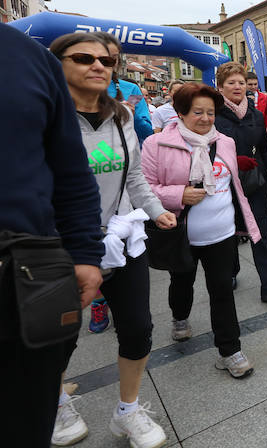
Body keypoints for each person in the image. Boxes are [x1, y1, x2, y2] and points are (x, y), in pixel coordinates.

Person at [48, 32, 176, 448]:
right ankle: (55, 401)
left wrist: (157, 211)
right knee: (60, 336)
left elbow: (135, 176)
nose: (99, 66)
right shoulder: (42, 117)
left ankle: (128, 410)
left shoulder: (121, 116)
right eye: (84, 58)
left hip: (121, 238)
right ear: (58, 63)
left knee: (139, 328)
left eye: (106, 60)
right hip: (61, 245)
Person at [0, 25, 104, 448]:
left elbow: (70, 173)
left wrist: (84, 254)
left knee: (24, 424)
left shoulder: (28, 58)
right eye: (84, 59)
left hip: (23, 275)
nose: (98, 67)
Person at [142, 82, 260, 379]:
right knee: (181, 283)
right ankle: (180, 318)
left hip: (220, 232)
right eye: (198, 112)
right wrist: (178, 195)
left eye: (210, 112)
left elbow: (231, 184)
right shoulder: (156, 144)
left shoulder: (225, 142)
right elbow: (143, 189)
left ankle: (230, 350)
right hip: (181, 232)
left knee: (222, 290)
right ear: (180, 112)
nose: (206, 118)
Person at [214, 63, 267, 301]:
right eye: (231, 83)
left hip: (255, 183)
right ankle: (232, 271)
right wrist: (233, 162)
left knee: (261, 235)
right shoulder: (212, 115)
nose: (238, 87)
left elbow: (264, 148)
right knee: (230, 235)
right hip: (223, 185)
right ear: (220, 86)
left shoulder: (256, 115)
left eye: (241, 82)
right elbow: (205, 152)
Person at [92, 32, 153, 144]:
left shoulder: (132, 89)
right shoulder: (77, 87)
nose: (108, 62)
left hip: (124, 155)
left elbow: (147, 132)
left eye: (113, 57)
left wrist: (133, 116)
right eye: (103, 57)